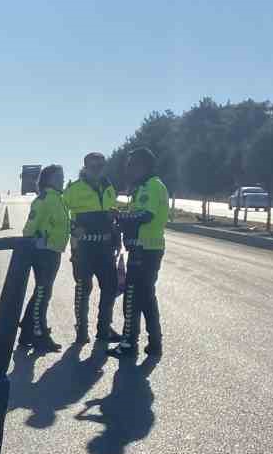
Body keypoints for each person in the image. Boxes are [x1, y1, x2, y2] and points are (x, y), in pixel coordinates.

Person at [110, 148, 167, 358]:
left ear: (143, 165)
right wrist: (124, 216)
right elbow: (137, 214)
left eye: (132, 164)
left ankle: (128, 344)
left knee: (132, 299)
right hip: (144, 249)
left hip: (145, 250)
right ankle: (154, 343)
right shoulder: (145, 186)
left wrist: (121, 218)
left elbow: (145, 215)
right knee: (146, 298)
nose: (128, 168)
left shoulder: (150, 187)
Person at [64, 152, 120, 343]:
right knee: (83, 288)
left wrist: (116, 236)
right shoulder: (74, 189)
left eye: (100, 166)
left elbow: (112, 216)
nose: (97, 169)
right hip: (84, 247)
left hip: (105, 247)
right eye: (93, 166)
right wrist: (73, 228)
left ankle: (104, 328)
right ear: (85, 167)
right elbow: (62, 213)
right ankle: (81, 330)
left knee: (110, 287)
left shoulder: (109, 187)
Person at [17, 164, 70, 352]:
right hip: (43, 252)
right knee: (43, 294)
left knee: (41, 293)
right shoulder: (45, 199)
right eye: (59, 177)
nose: (62, 180)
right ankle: (39, 336)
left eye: (62, 176)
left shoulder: (58, 198)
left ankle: (26, 331)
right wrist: (27, 248)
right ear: (49, 179)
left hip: (54, 251)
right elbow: (31, 225)